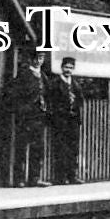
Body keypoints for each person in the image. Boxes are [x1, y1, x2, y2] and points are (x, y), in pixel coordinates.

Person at [10, 51, 52, 188]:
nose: (38, 61)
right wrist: (22, 109)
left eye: (41, 58)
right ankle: (19, 179)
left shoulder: (43, 77)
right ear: (31, 59)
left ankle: (34, 178)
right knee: (21, 148)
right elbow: (15, 94)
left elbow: (48, 96)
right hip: (26, 117)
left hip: (39, 117)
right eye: (36, 58)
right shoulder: (24, 75)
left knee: (37, 148)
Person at [48, 56, 85, 185]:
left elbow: (80, 101)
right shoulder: (55, 84)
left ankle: (72, 175)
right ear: (62, 68)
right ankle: (60, 177)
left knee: (73, 149)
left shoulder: (75, 85)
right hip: (60, 121)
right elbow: (51, 102)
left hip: (73, 121)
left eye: (71, 68)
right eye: (66, 67)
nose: (68, 70)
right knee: (60, 149)